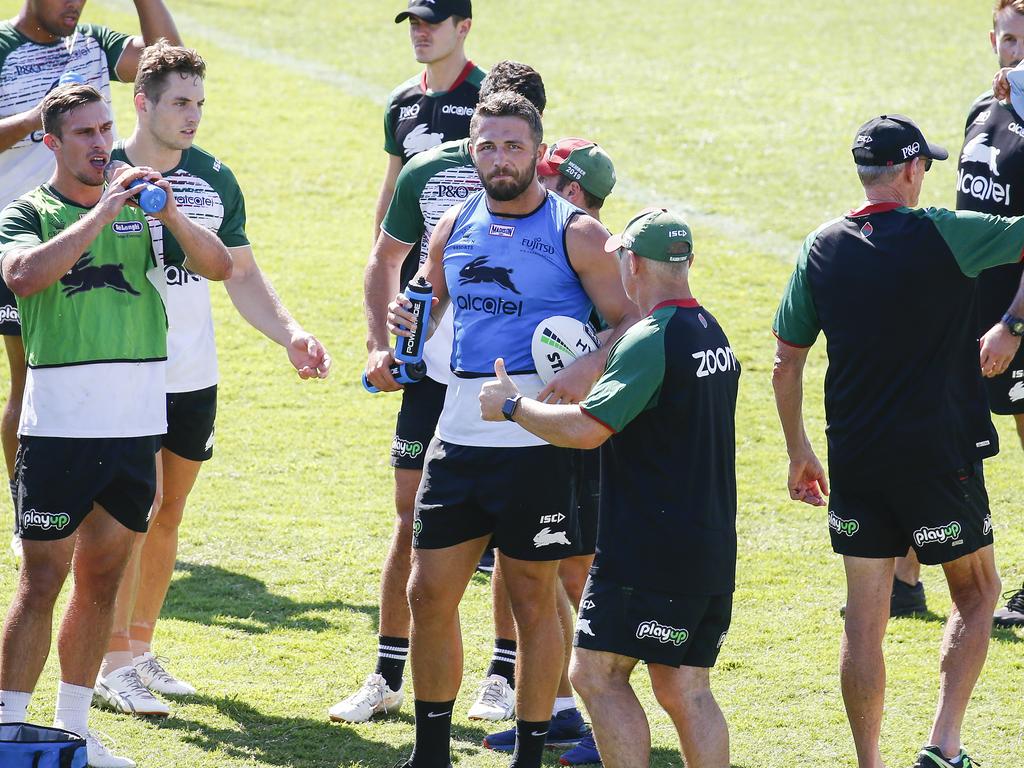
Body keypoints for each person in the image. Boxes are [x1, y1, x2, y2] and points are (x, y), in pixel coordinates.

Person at [388, 91, 639, 768]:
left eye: (514, 146)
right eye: (488, 146)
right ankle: (431, 752)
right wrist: (405, 330)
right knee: (427, 592)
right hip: (461, 435)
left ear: (536, 151)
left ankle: (531, 751)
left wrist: (590, 363)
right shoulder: (452, 226)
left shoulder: (577, 232)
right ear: (473, 150)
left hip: (541, 444)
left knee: (533, 597)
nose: (500, 159)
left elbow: (632, 318)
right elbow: (427, 306)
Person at [772, 114, 1024, 768]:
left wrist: (799, 451)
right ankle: (943, 744)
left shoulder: (819, 247)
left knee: (865, 621)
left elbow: (786, 362)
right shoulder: (946, 233)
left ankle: (869, 763)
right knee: (978, 594)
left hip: (855, 461)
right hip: (940, 458)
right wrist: (1014, 322)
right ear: (910, 171)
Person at [88, 41, 332, 716]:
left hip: (193, 373)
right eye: (180, 103)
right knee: (131, 513)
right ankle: (109, 661)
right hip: (123, 372)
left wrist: (291, 333)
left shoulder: (215, 177)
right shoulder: (104, 172)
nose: (193, 117)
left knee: (167, 513)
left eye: (199, 103)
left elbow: (242, 274)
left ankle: (139, 648)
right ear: (142, 101)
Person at [0, 84, 231, 768]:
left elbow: (218, 266)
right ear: (53, 143)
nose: (102, 144)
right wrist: (103, 214)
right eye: (84, 134)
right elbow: (23, 276)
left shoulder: (146, 210)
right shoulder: (29, 212)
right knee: (42, 581)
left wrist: (174, 215)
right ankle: (8, 732)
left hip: (134, 428)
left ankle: (73, 732)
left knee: (101, 581)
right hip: (59, 431)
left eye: (106, 130)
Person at [478, 206, 737, 768]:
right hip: (708, 543)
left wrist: (512, 407)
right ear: (686, 261)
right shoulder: (709, 328)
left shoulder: (650, 338)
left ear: (633, 264)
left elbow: (586, 430)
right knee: (685, 687)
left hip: (649, 548)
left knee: (595, 674)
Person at [343, 61, 546, 728]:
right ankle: (387, 672)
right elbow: (386, 258)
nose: (493, 150)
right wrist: (383, 346)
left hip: (515, 385)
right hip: (434, 378)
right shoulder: (430, 175)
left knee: (518, 548)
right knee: (412, 516)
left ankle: (501, 675)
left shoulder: (549, 190)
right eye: (486, 133)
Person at [0, 0, 182, 554]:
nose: (73, 5)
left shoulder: (95, 42)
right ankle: (28, 507)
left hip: (99, 227)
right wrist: (37, 120)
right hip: (23, 236)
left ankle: (87, 505)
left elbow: (167, 63)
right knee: (28, 377)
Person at [482, 137, 617, 766]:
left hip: (584, 434)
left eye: (555, 177)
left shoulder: (588, 244)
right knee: (529, 573)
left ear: (575, 189)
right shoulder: (534, 235)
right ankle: (560, 710)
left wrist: (590, 363)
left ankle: (599, 721)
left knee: (579, 576)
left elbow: (631, 323)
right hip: (537, 429)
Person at [955, 0, 1024, 627]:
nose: (1013, 53)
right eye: (1005, 40)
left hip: (1016, 320)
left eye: (1022, 44)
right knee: (944, 436)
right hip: (969, 318)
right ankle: (905, 582)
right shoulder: (982, 109)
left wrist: (1012, 324)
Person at [374, 0, 483, 240]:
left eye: (432, 24)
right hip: (410, 260)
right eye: (415, 23)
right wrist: (378, 259)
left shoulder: (489, 97)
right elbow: (392, 187)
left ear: (463, 28)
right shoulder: (399, 101)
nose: (420, 33)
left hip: (470, 252)